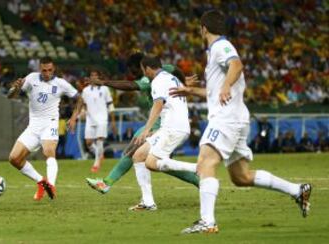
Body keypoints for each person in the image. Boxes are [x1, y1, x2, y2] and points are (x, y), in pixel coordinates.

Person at [167, 10, 311, 234]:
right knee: (241, 177)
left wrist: (225, 86)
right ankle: (297, 190)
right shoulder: (214, 51)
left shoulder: (221, 47)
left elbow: (236, 64)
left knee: (205, 163)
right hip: (235, 116)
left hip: (226, 118)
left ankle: (207, 222)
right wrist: (191, 90)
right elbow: (214, 90)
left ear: (203, 28)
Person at [85, 52, 199, 195]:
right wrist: (183, 82)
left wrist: (104, 82)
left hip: (162, 122)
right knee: (160, 162)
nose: (132, 73)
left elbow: (130, 85)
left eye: (134, 69)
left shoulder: (149, 79)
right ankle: (198, 180)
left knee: (134, 150)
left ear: (143, 67)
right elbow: (175, 69)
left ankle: (107, 183)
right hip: (167, 120)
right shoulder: (166, 69)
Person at [7, 56, 80, 200]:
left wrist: (73, 117)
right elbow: (10, 96)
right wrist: (14, 88)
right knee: (14, 159)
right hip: (33, 126)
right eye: (44, 70)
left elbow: (80, 98)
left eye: (50, 70)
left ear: (54, 69)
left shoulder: (61, 83)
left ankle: (51, 186)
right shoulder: (31, 78)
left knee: (48, 151)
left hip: (50, 123)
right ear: (40, 69)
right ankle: (41, 182)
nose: (47, 73)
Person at [129, 55, 195, 210]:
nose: (143, 73)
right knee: (138, 156)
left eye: (143, 69)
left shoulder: (158, 81)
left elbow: (158, 105)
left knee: (151, 163)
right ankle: (148, 202)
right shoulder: (172, 78)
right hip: (172, 126)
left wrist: (146, 129)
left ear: (148, 68)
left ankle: (197, 168)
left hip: (173, 128)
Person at [81, 69, 116, 173]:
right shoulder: (85, 90)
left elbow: (110, 104)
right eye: (92, 75)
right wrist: (82, 111)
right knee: (88, 143)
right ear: (90, 77)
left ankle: (96, 164)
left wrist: (113, 121)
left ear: (99, 77)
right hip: (90, 119)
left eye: (96, 75)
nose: (94, 77)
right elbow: (83, 104)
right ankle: (99, 153)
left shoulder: (105, 89)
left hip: (102, 118)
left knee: (99, 140)